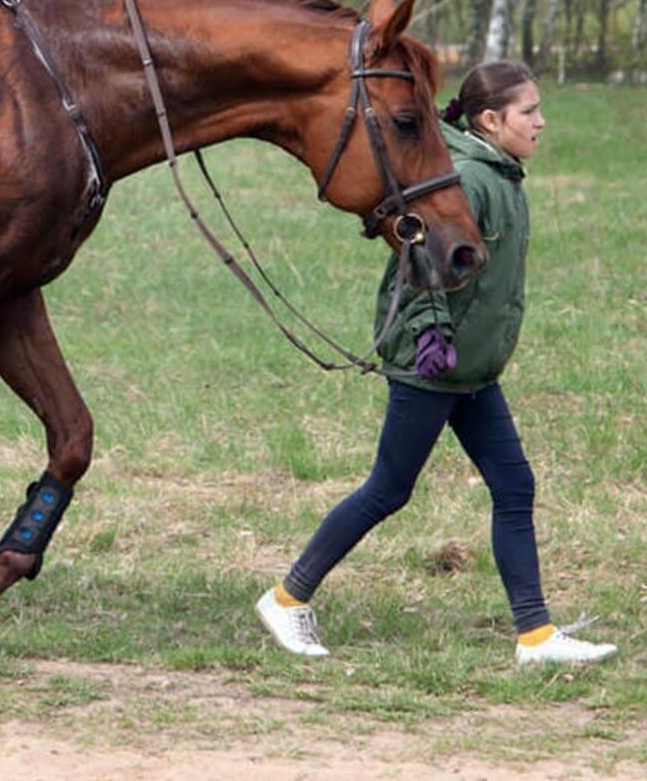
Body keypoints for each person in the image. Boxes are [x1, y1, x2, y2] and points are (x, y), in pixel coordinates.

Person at [255, 61, 617, 666]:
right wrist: (430, 337)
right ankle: (286, 599)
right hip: (433, 368)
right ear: (491, 120)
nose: (541, 122)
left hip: (471, 373)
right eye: (530, 112)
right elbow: (416, 263)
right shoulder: (468, 180)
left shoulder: (499, 174)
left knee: (514, 485)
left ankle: (535, 637)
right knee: (387, 490)